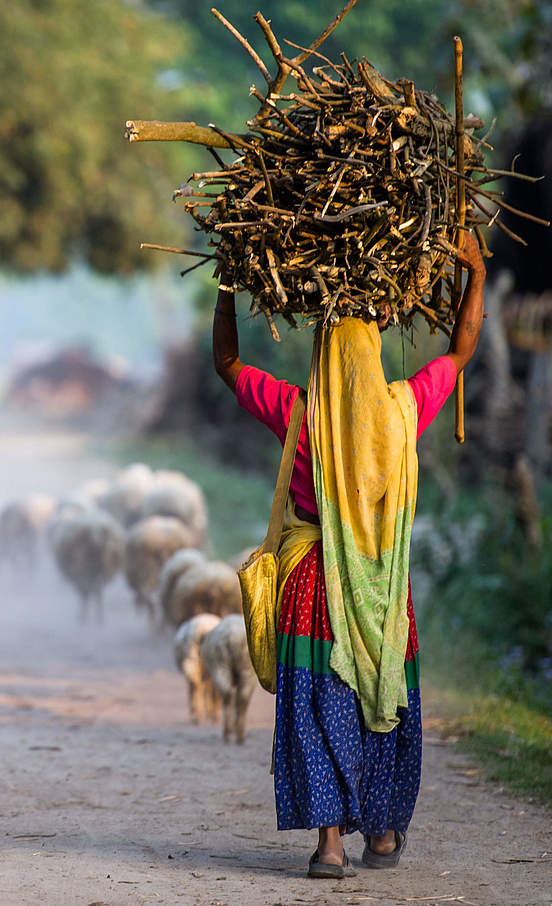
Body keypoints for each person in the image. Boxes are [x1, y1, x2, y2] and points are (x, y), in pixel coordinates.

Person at [212, 232, 485, 878]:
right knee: (381, 692)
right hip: (381, 587)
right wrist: (473, 273)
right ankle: (384, 832)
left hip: (313, 583)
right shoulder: (403, 409)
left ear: (321, 353)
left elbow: (227, 363)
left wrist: (226, 285)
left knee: (317, 705)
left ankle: (330, 843)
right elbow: (463, 349)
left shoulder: (298, 412)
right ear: (373, 350)